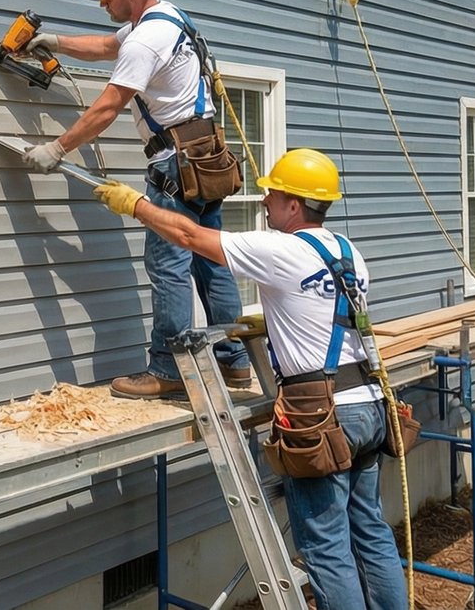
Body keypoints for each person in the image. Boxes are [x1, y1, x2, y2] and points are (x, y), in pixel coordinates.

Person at [93, 149, 407, 610]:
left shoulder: (280, 251)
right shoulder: (348, 252)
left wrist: (135, 205)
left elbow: (188, 234)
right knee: (372, 531)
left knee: (326, 547)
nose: (265, 203)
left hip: (319, 416)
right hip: (368, 404)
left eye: (273, 196)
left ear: (295, 205)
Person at [21, 0, 250, 399]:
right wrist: (56, 42)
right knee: (211, 260)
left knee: (169, 266)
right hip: (204, 156)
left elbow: (108, 106)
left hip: (174, 164)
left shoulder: (145, 39)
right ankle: (236, 362)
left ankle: (166, 369)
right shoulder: (166, 18)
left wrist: (58, 148)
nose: (101, 2)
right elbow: (108, 46)